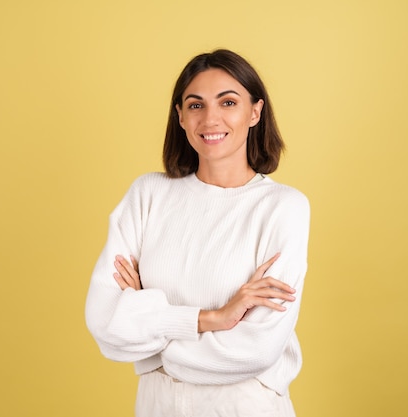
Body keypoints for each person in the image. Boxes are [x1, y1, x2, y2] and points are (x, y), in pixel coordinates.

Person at [85, 49, 310, 417]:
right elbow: (105, 323)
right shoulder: (148, 195)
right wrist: (211, 319)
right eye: (195, 105)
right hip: (157, 405)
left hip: (242, 406)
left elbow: (256, 349)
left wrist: (152, 345)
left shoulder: (283, 207)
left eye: (228, 102)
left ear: (255, 112)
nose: (211, 118)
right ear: (180, 116)